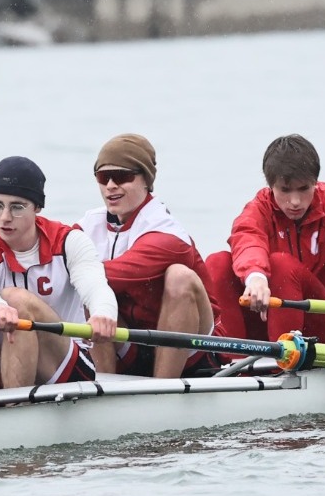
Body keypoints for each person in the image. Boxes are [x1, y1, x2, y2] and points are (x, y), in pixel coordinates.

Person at [0, 157, 119, 394]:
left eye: (17, 207)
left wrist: (103, 314)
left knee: (17, 300)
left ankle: (15, 411)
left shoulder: (70, 242)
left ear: (37, 207)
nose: (5, 217)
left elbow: (96, 287)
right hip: (0, 365)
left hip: (64, 368)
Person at [205, 135, 325, 349]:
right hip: (270, 325)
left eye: (303, 189)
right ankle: (232, 365)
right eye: (285, 190)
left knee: (282, 265)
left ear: (315, 183)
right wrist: (256, 278)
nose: (295, 201)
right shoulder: (258, 208)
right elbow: (248, 238)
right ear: (270, 186)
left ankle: (282, 367)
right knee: (217, 262)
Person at [78, 133, 220, 378]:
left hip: (190, 351)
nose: (111, 185)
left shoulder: (167, 232)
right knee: (89, 287)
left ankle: (163, 391)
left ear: (146, 180)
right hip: (129, 343)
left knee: (179, 277)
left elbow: (118, 273)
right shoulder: (89, 224)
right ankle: (102, 386)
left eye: (122, 176)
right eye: (103, 177)